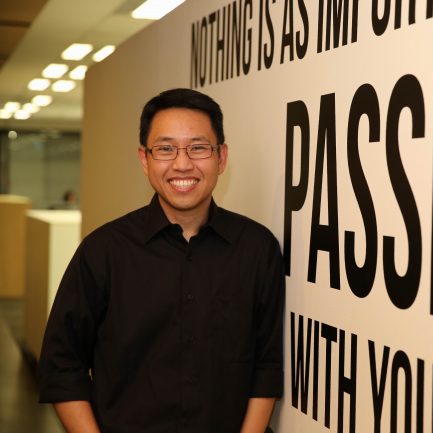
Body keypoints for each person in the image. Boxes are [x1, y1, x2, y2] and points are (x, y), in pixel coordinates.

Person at [38, 88, 285, 433]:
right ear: (145, 159)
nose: (182, 164)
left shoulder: (257, 249)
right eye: (166, 149)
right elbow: (62, 365)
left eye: (198, 147)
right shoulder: (103, 251)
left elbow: (266, 366)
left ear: (221, 157)